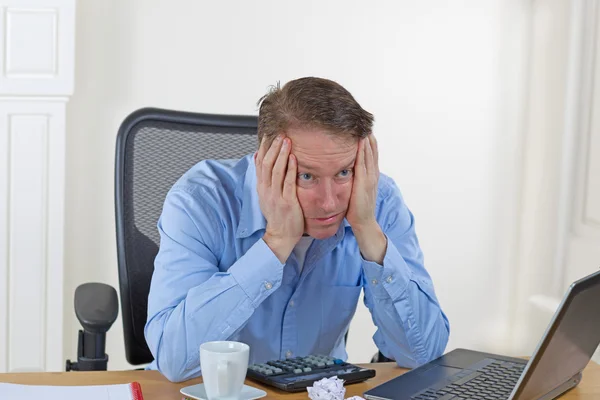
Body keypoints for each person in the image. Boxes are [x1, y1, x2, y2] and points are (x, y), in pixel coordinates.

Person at [144, 77, 450, 382]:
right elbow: (174, 361)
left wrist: (367, 231)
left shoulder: (377, 202)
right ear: (264, 162)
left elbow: (422, 355)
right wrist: (275, 243)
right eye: (307, 176)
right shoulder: (200, 201)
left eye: (344, 172)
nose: (329, 203)